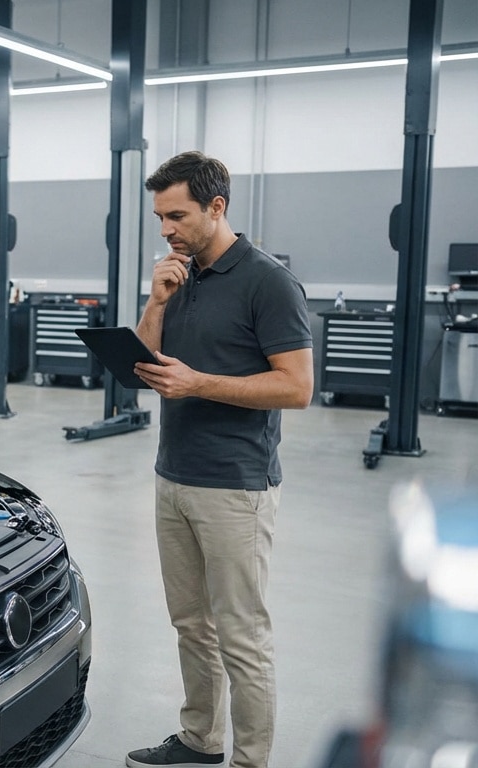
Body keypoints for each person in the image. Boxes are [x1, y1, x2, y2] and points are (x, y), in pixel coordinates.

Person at [126, 151, 314, 768]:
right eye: (159, 217)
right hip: (172, 476)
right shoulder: (180, 276)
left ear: (217, 207)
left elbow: (296, 388)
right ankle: (199, 740)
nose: (166, 229)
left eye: (176, 215)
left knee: (242, 636)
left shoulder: (268, 281)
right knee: (190, 624)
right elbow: (143, 368)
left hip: (235, 487)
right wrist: (155, 302)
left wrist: (200, 383)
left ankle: (250, 761)